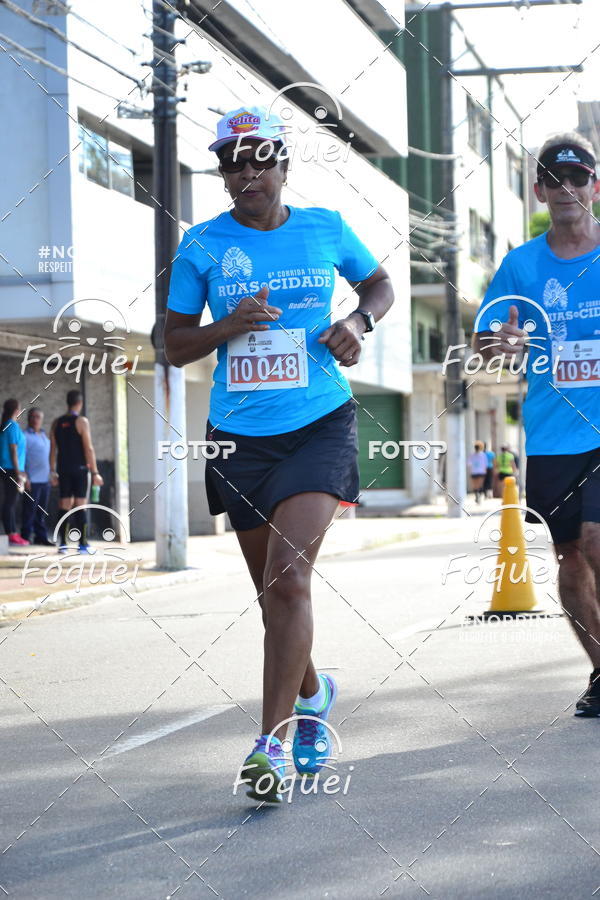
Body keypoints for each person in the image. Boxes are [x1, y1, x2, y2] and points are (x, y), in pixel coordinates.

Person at [164, 105, 394, 801]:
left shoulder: (325, 229)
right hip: (239, 438)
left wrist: (357, 320)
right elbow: (170, 344)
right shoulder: (202, 246)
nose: (245, 172)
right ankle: (315, 690)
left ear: (283, 164)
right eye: (232, 161)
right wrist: (227, 325)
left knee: (290, 579)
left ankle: (270, 745)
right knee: (273, 596)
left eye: (259, 157)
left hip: (319, 422)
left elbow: (379, 285)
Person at [473, 131, 600, 717]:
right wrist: (504, 339)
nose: (569, 188)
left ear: (594, 185)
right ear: (540, 190)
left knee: (598, 544)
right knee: (571, 559)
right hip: (551, 437)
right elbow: (486, 340)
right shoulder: (521, 265)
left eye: (580, 177)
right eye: (558, 179)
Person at [50, 390, 103, 555]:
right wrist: (95, 472)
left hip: (63, 469)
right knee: (81, 505)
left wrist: (52, 471)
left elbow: (52, 450)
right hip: (79, 469)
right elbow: (89, 448)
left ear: (67, 402)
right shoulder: (82, 421)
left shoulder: (56, 423)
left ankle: (63, 544)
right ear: (79, 403)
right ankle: (83, 545)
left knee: (64, 505)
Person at [21, 407, 53, 546]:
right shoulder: (24, 436)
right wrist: (25, 477)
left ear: (42, 419)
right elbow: (21, 457)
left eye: (38, 417)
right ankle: (25, 537)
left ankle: (41, 537)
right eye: (33, 417)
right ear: (28, 418)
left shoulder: (44, 436)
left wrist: (53, 473)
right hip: (31, 480)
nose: (35, 419)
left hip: (45, 480)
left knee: (42, 511)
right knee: (29, 511)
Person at [0, 399, 28, 546]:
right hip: (11, 469)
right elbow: (13, 451)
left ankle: (12, 533)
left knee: (10, 502)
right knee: (10, 503)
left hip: (8, 468)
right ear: (17, 410)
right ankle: (11, 533)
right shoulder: (12, 426)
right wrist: (18, 473)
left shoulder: (6, 425)